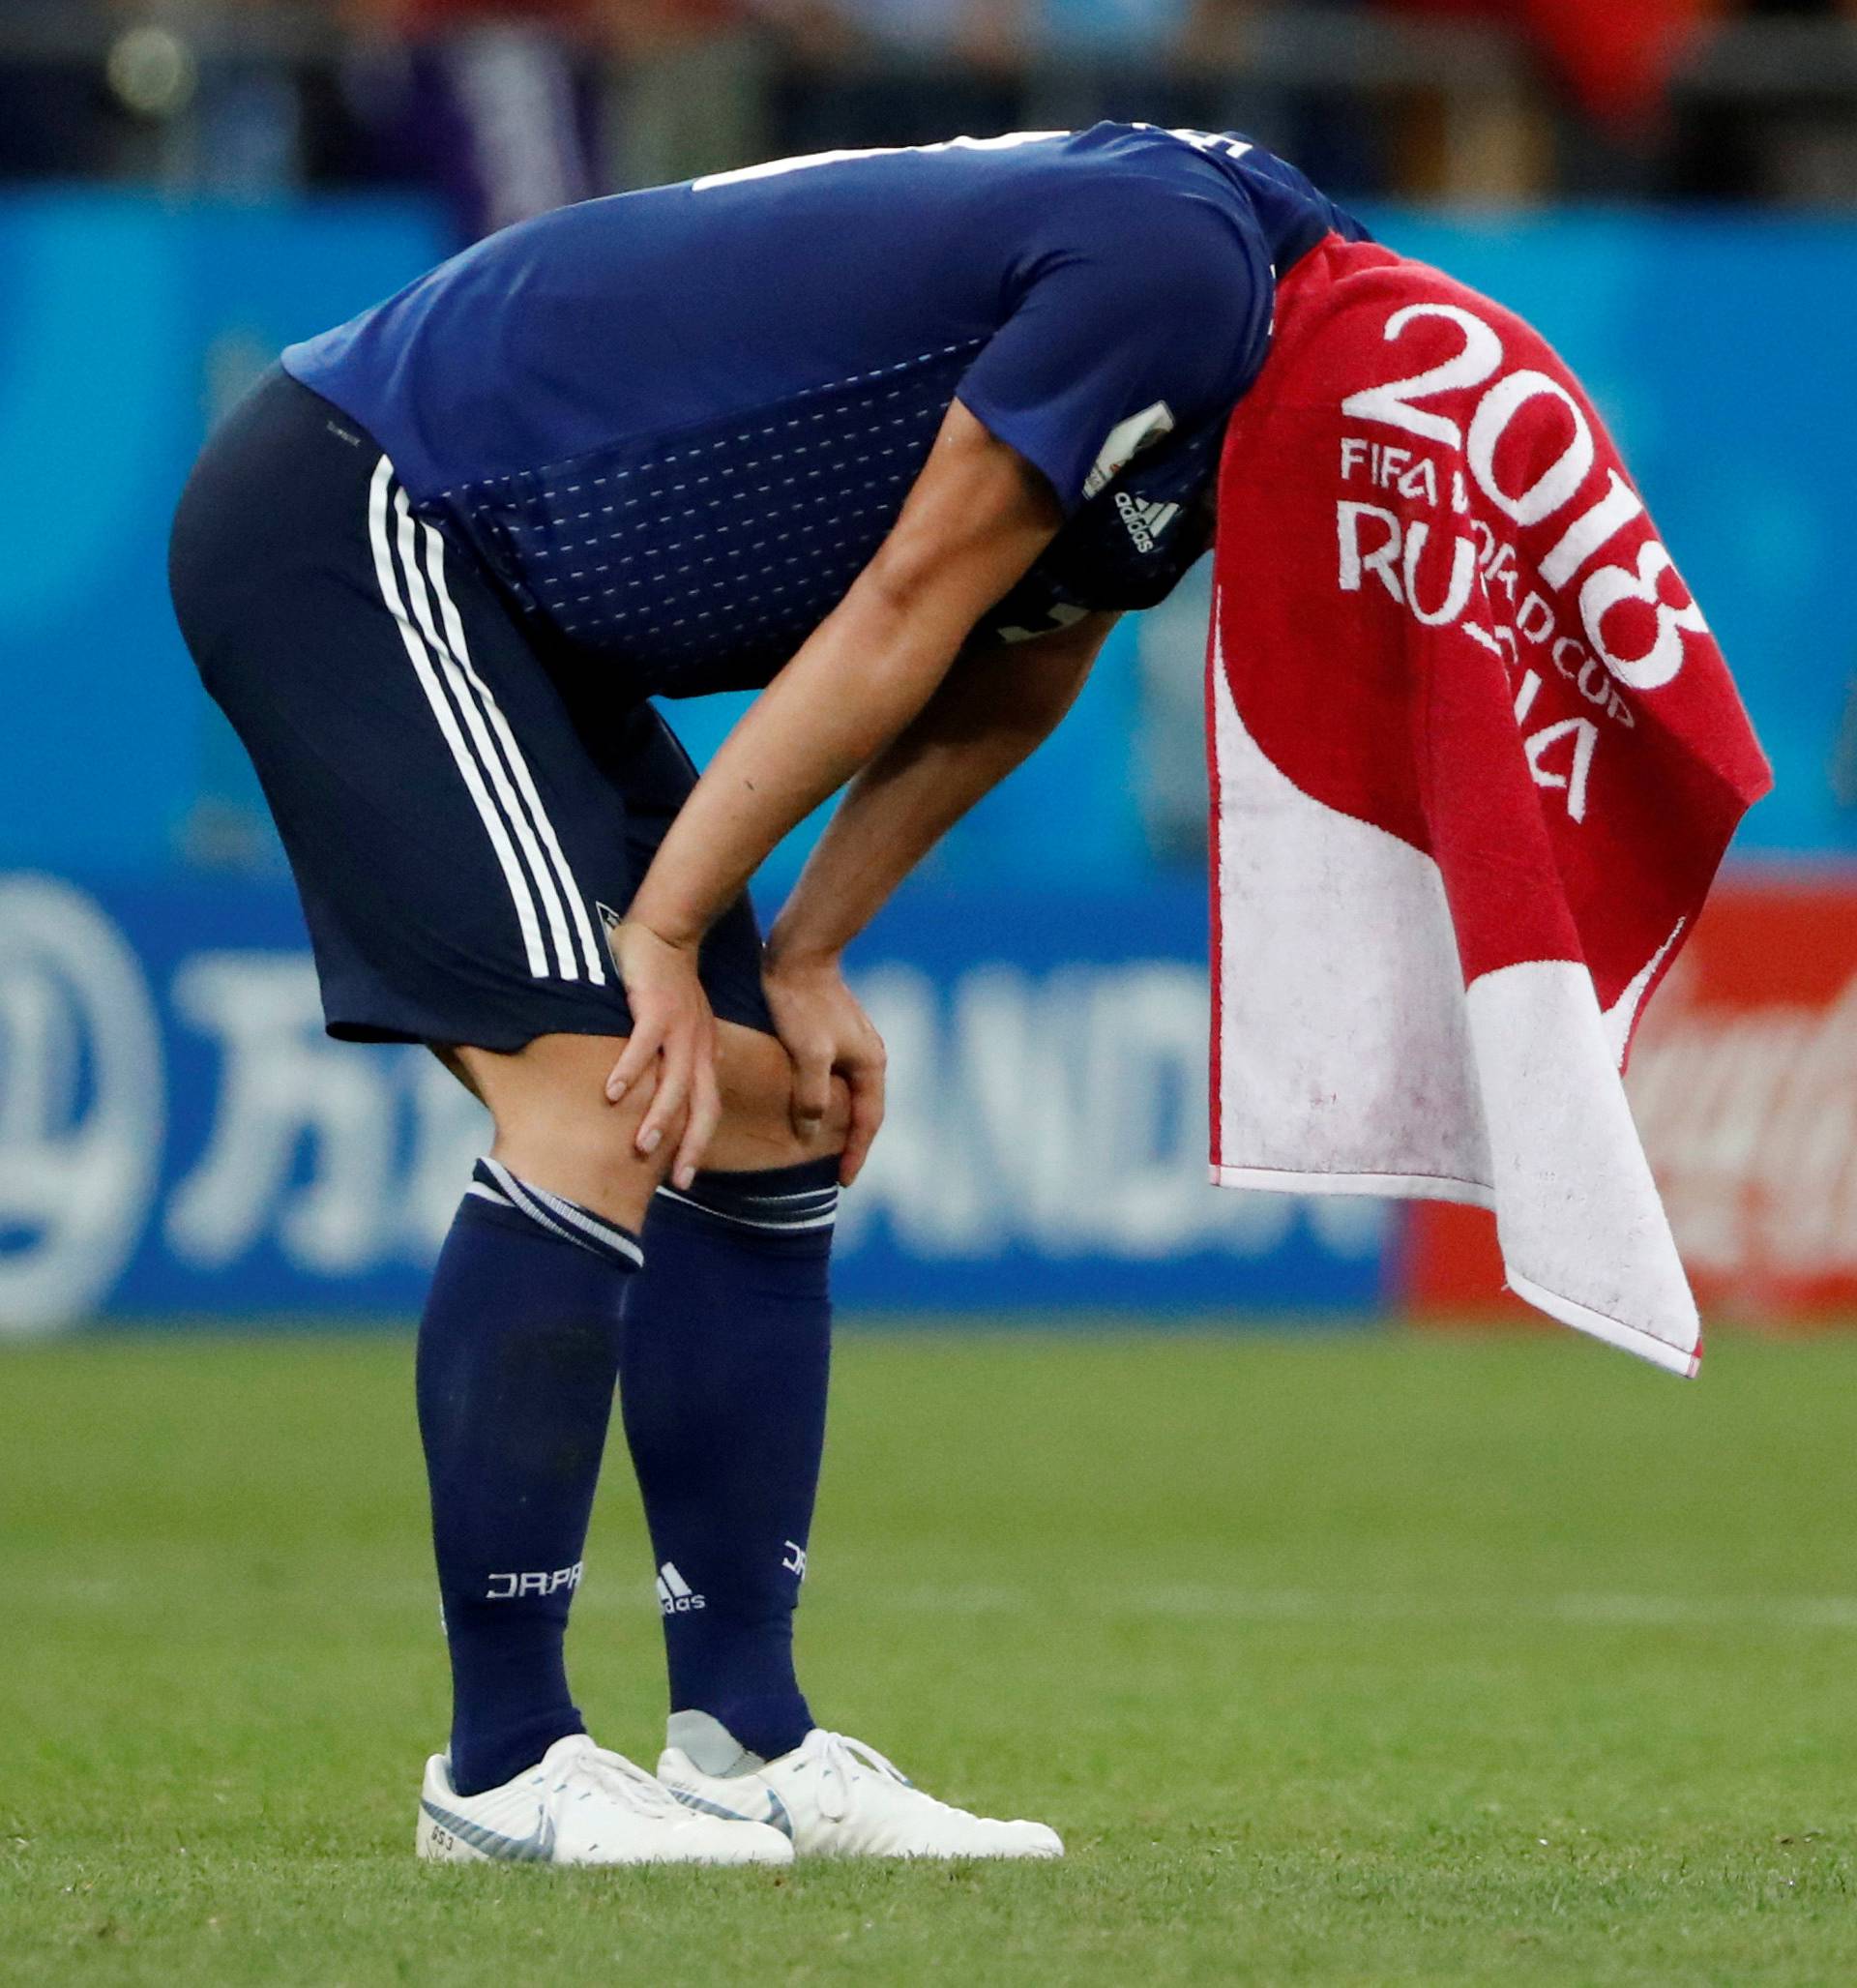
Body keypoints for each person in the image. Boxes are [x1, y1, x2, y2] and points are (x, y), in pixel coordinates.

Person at [168, 121, 1365, 1866]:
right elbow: (903, 608)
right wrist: (664, 936)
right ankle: (498, 1765)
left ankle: (743, 1736)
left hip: (513, 582)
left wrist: (801, 954)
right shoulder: (1190, 275)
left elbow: (1018, 673)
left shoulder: (1231, 328)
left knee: (763, 1100)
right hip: (367, 508)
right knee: (603, 1086)